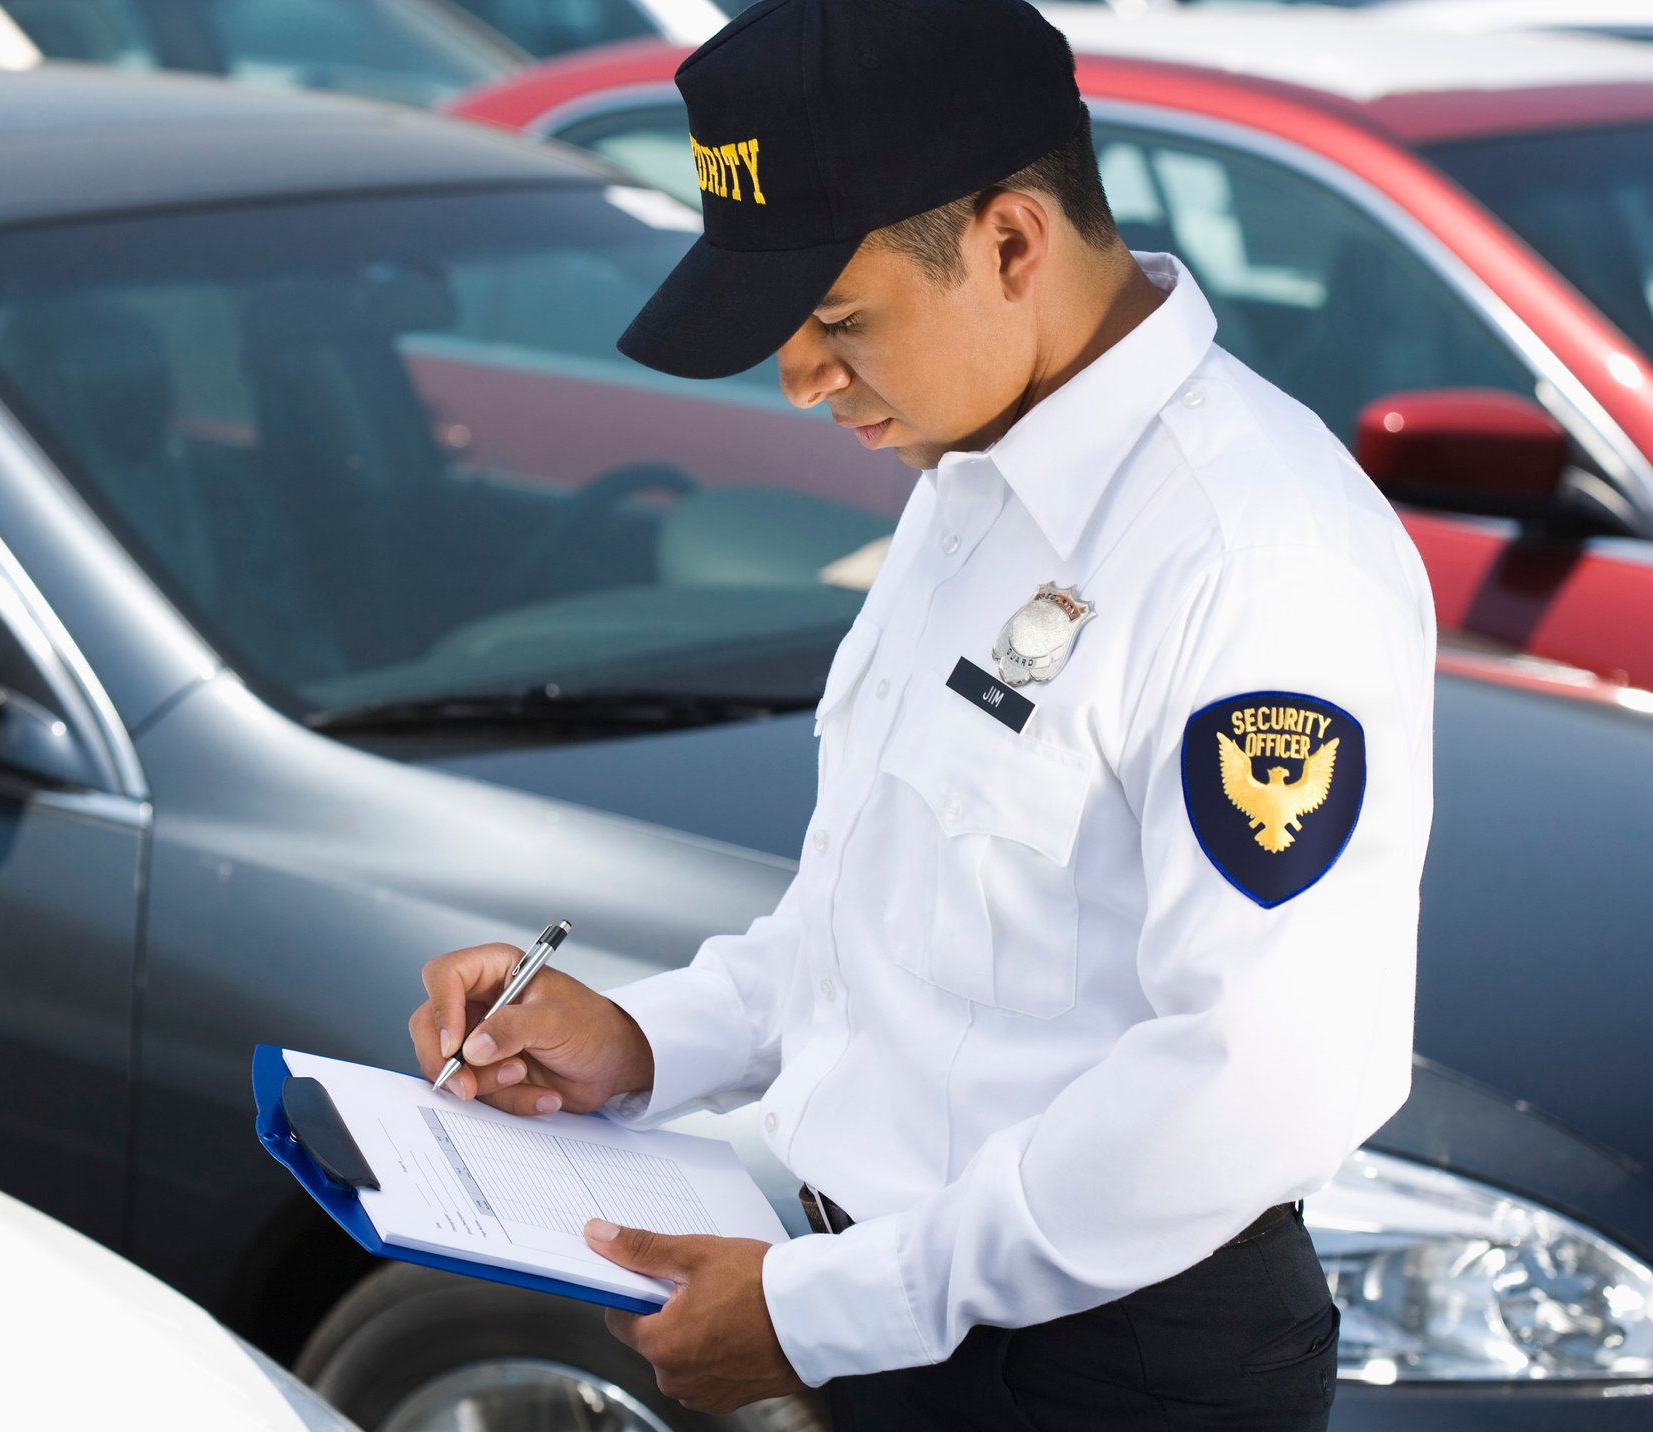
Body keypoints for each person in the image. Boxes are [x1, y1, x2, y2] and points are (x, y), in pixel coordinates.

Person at [406, 0, 1435, 1425]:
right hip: (911, 1319)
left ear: (1011, 244)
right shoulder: (977, 466)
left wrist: (827, 1312)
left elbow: (1258, 1076)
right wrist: (643, 1040)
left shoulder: (1252, 549)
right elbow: (880, 931)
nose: (801, 379)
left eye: (838, 319)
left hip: (1105, 1372)